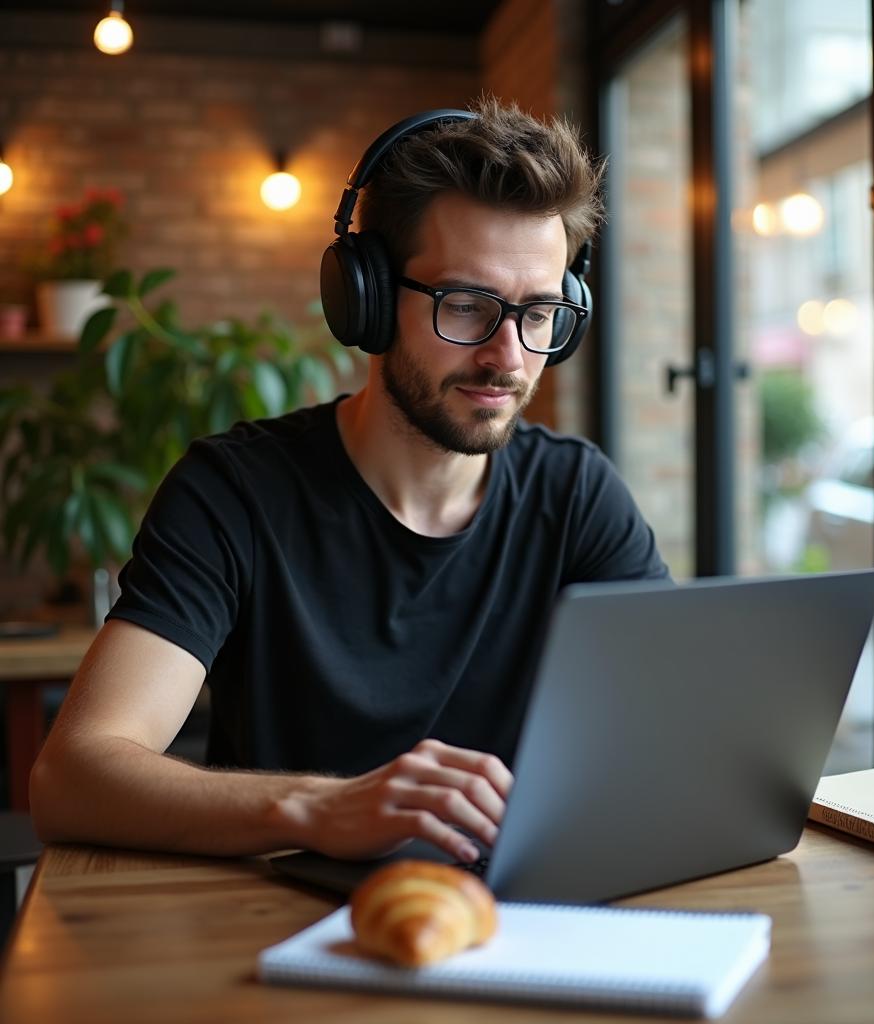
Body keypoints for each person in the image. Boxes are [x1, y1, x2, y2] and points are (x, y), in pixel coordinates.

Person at [30, 99, 668, 865]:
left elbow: (675, 735)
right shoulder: (233, 493)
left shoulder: (577, 493)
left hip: (517, 913)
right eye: (467, 305)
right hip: (276, 921)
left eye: (540, 313)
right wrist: (319, 807)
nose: (508, 357)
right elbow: (72, 778)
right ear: (367, 298)